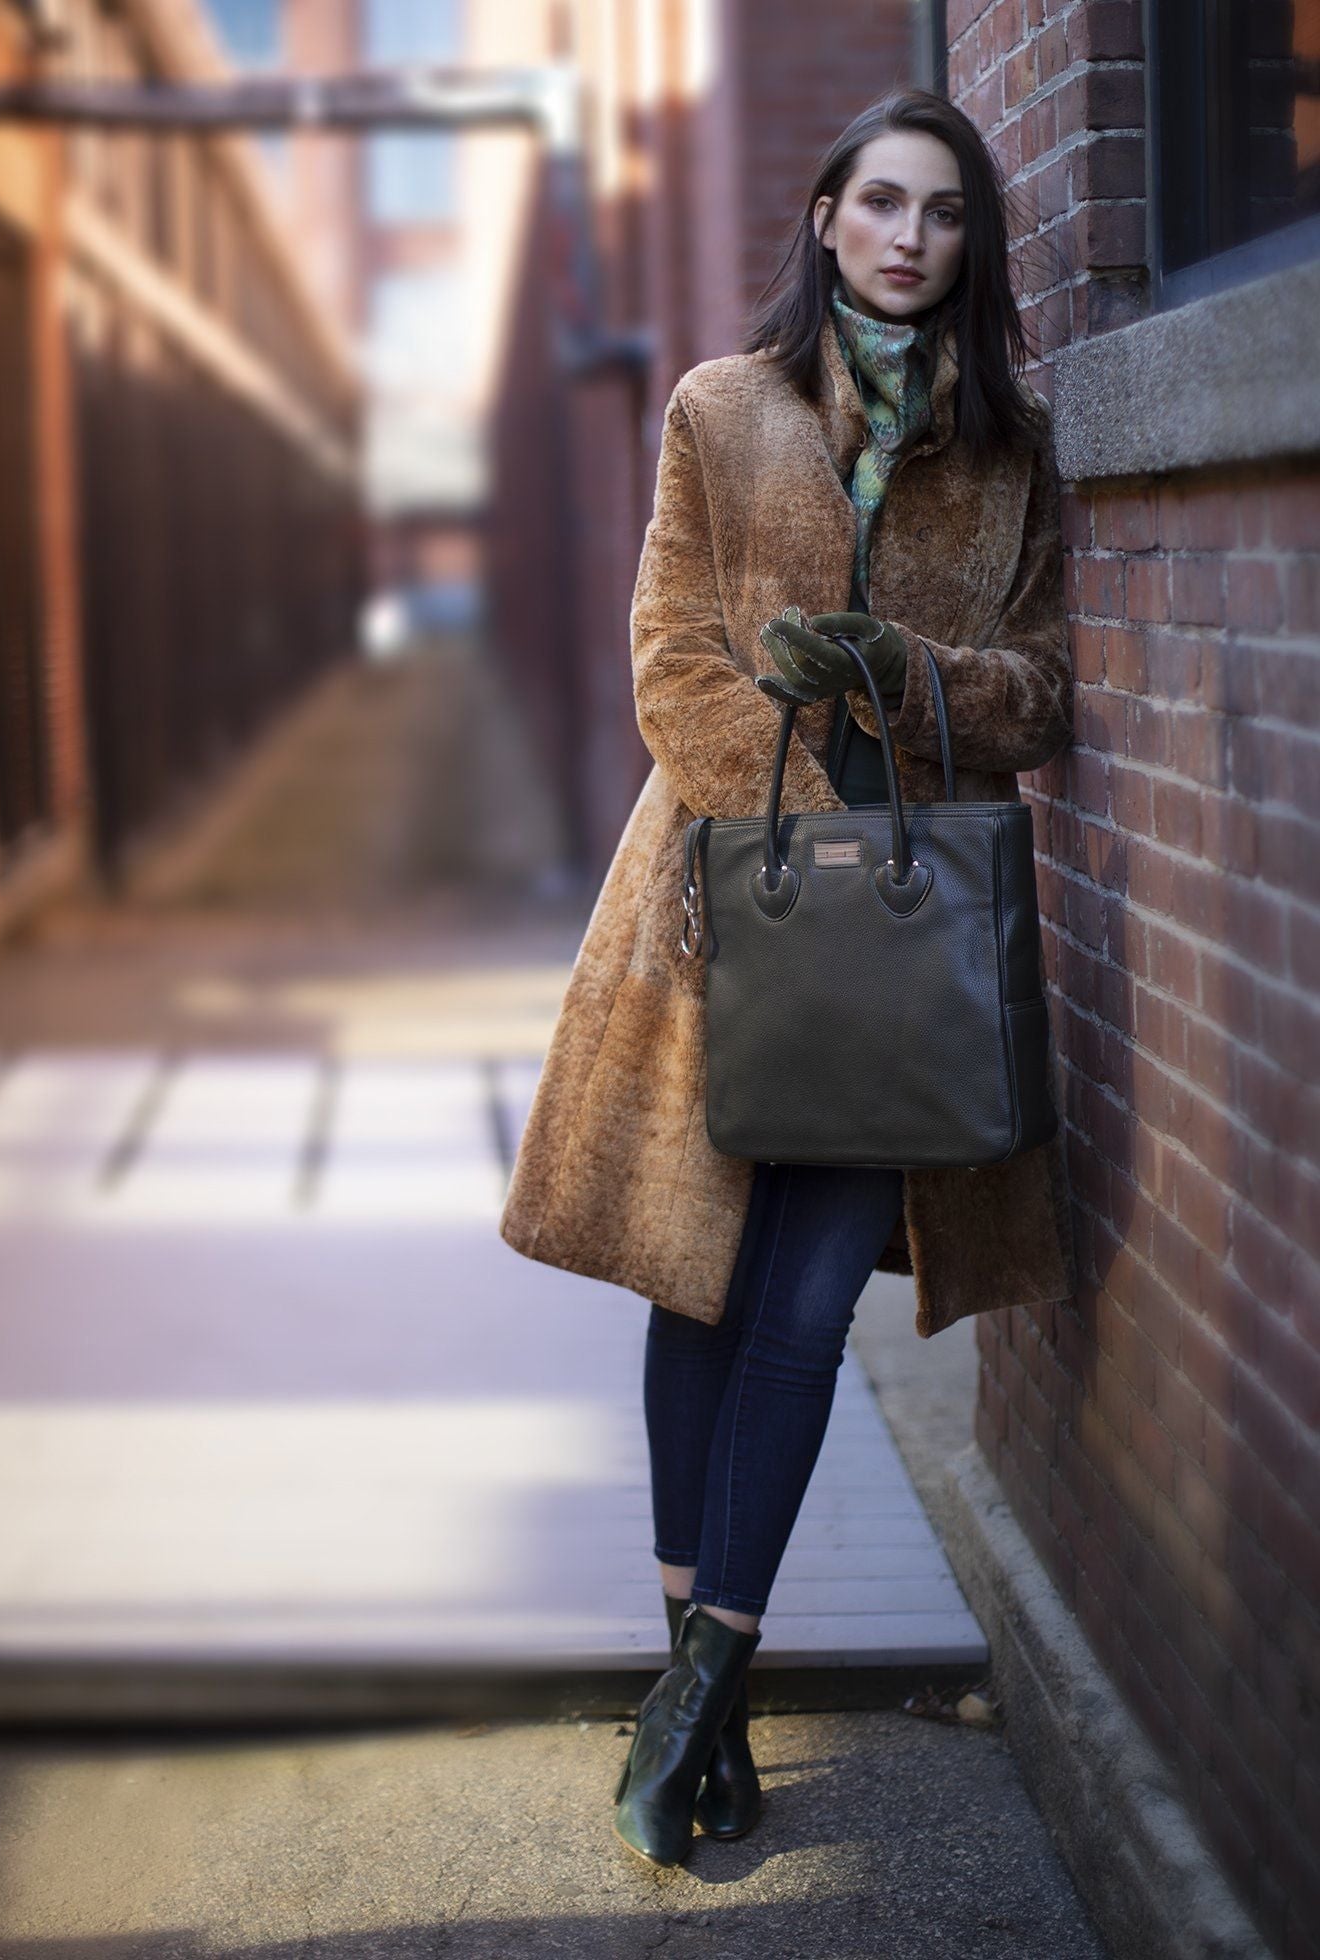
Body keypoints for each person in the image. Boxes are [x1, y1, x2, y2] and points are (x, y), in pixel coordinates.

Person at [498, 86, 1076, 1868]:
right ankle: (711, 1682)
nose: (912, 236)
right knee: (700, 1292)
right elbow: (669, 649)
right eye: (883, 203)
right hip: (722, 921)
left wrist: (908, 674)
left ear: (970, 248)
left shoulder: (1010, 455)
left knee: (808, 1311)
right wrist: (814, 814)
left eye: (946, 213)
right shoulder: (723, 413)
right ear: (826, 217)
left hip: (890, 967)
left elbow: (1041, 693)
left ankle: (702, 1682)